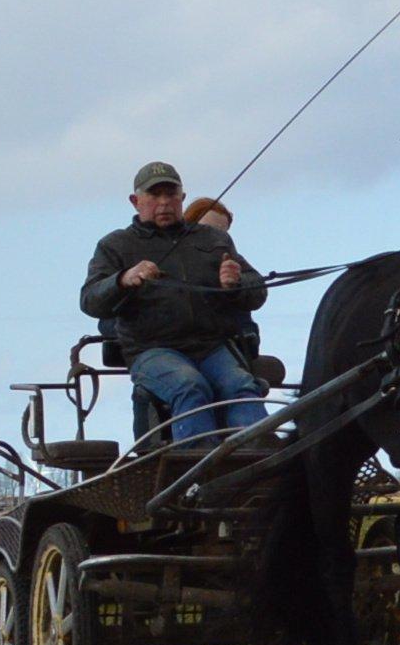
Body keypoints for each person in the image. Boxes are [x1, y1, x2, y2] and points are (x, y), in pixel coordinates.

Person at [80, 162, 268, 445]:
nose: (164, 202)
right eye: (155, 195)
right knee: (189, 386)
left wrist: (236, 284)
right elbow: (90, 301)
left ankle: (261, 464)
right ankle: (199, 471)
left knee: (241, 386)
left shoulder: (214, 240)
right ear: (135, 201)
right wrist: (122, 279)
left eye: (171, 194)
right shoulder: (116, 246)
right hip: (152, 350)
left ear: (182, 197)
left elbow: (258, 293)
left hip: (211, 347)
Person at [183, 196, 261, 360]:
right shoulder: (175, 257)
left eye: (221, 232)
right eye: (208, 229)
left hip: (231, 335)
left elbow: (256, 284)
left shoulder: (229, 256)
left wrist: (237, 282)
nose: (214, 236)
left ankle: (244, 337)